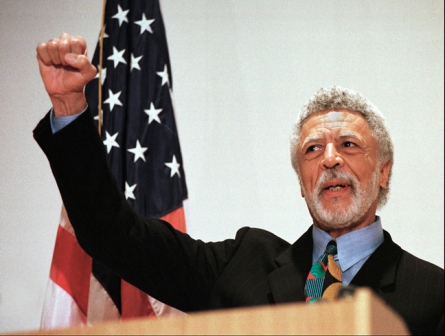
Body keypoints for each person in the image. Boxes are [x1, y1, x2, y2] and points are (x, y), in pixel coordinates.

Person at [34, 33, 443, 335]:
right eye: (313, 150)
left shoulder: (432, 293)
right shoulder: (245, 264)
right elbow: (114, 236)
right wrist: (71, 110)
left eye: (348, 145)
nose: (330, 159)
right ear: (302, 181)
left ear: (384, 171)